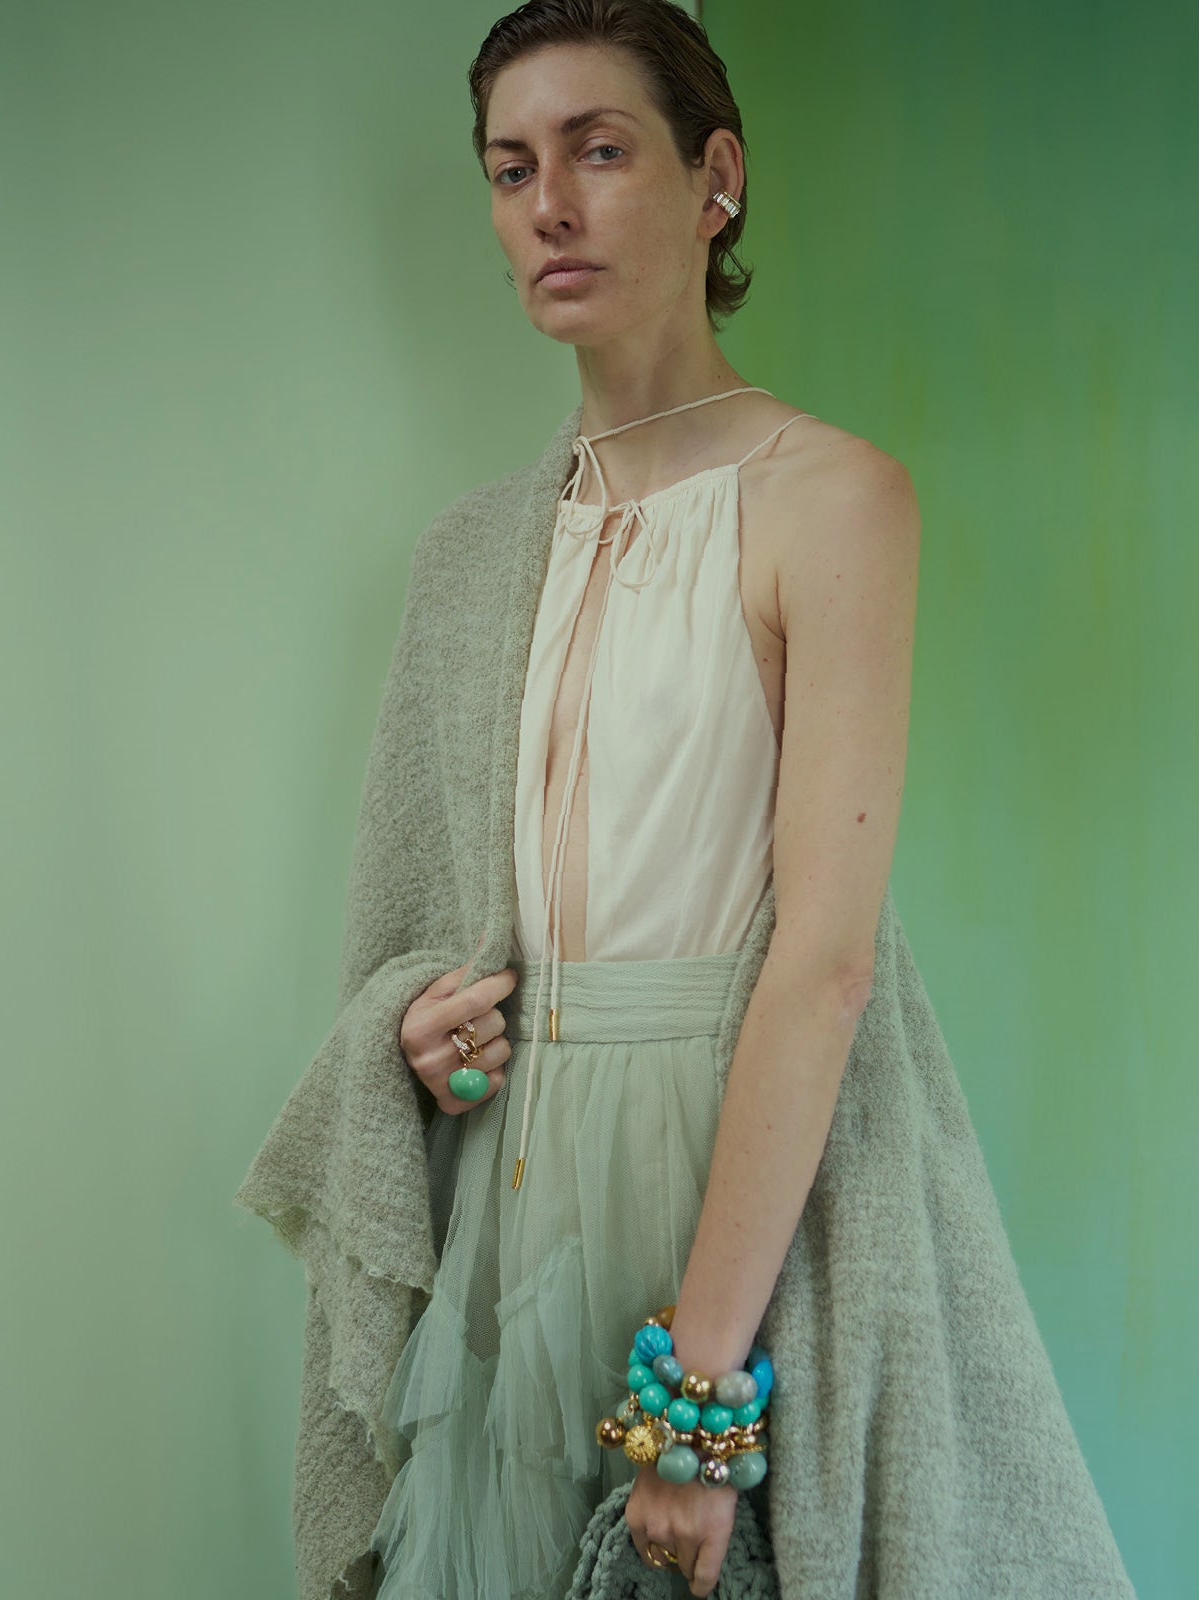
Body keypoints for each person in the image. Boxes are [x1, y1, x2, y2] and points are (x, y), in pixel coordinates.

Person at [366, 3, 917, 1598]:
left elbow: (826, 963)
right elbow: (446, 911)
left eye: (599, 151)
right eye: (510, 168)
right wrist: (420, 1026)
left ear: (712, 177)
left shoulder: (831, 499)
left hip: (716, 1173)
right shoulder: (472, 551)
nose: (548, 205)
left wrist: (697, 1399)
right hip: (504, 1181)